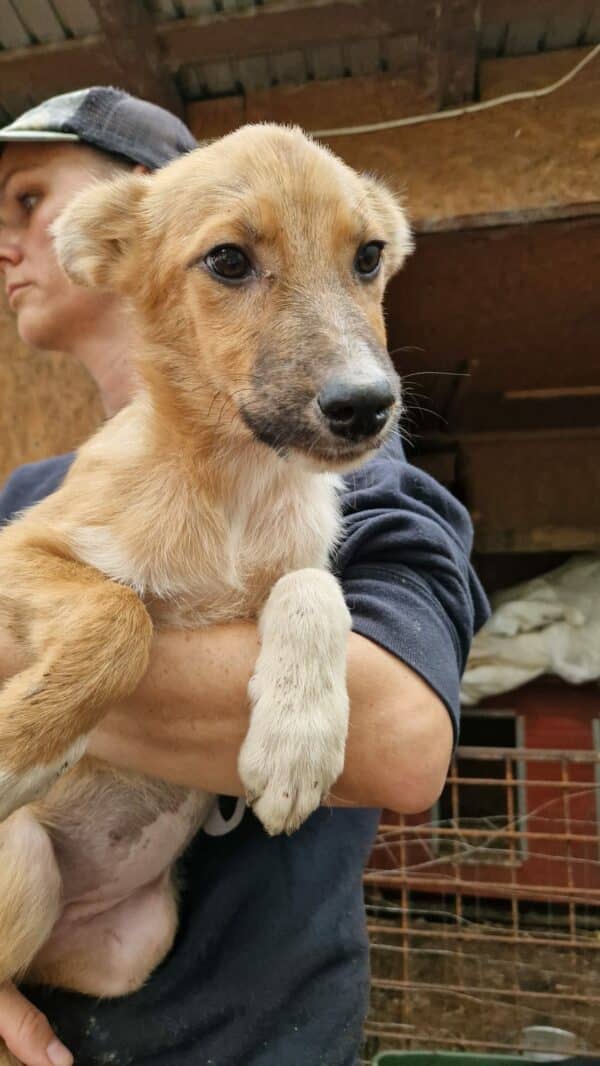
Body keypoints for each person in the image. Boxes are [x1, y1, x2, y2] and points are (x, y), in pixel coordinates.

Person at [0, 87, 489, 1066]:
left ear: (135, 211)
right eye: (234, 261)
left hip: (251, 1039)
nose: (6, 241)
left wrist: (81, 666)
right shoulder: (34, 488)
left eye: (26, 201)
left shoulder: (362, 481)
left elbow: (400, 745)